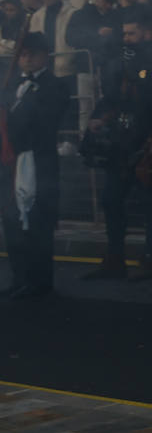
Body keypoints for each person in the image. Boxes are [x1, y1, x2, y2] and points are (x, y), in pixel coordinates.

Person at [82, 7, 152, 281]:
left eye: (132, 33)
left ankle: (150, 257)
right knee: (111, 200)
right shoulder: (118, 60)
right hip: (120, 141)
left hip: (148, 138)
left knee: (150, 202)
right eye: (125, 33)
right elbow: (111, 95)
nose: (127, 38)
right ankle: (115, 256)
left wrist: (136, 71)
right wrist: (98, 118)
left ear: (146, 33)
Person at [0, 34, 70, 301]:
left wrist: (11, 113)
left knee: (38, 222)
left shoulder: (55, 86)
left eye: (31, 53)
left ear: (44, 56)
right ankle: (19, 277)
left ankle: (39, 280)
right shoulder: (10, 83)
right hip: (10, 161)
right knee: (12, 222)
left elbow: (44, 121)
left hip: (37, 161)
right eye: (22, 54)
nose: (26, 58)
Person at [28, 0, 77, 77]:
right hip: (43, 67)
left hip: (67, 68)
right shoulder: (37, 16)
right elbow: (33, 41)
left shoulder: (72, 14)